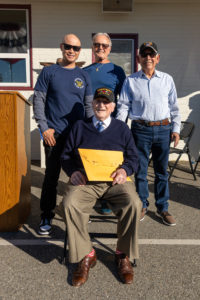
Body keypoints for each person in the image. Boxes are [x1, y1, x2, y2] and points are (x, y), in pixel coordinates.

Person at [61, 87, 141, 287]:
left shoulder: (122, 129)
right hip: (86, 182)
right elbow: (66, 156)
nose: (101, 105)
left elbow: (133, 158)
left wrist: (124, 170)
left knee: (133, 203)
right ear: (92, 104)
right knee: (69, 203)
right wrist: (73, 172)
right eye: (98, 101)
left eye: (106, 102)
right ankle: (86, 254)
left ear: (113, 106)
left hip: (115, 182)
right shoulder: (80, 126)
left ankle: (122, 254)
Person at [33, 34, 93, 235]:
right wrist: (44, 127)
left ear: (79, 51)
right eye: (68, 46)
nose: (72, 51)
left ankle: (77, 211)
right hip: (54, 134)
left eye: (76, 48)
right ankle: (47, 214)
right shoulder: (49, 72)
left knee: (81, 176)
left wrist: (92, 130)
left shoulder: (83, 75)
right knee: (51, 176)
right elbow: (39, 100)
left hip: (78, 137)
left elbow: (88, 105)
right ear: (61, 47)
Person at [116, 42, 181, 226]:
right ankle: (143, 204)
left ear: (157, 58)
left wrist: (176, 130)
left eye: (152, 55)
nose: (148, 58)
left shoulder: (167, 79)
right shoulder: (131, 81)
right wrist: (119, 131)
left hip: (163, 130)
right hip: (140, 130)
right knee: (141, 171)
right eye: (144, 55)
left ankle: (163, 208)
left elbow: (174, 107)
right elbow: (123, 107)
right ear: (138, 59)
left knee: (161, 172)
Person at [84, 32, 126, 214]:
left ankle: (107, 199)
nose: (100, 48)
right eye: (96, 45)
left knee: (109, 161)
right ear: (92, 47)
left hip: (110, 123)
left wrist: (120, 124)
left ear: (109, 48)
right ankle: (90, 196)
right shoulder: (85, 71)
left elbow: (124, 99)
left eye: (104, 45)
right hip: (89, 123)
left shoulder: (118, 71)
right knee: (90, 160)